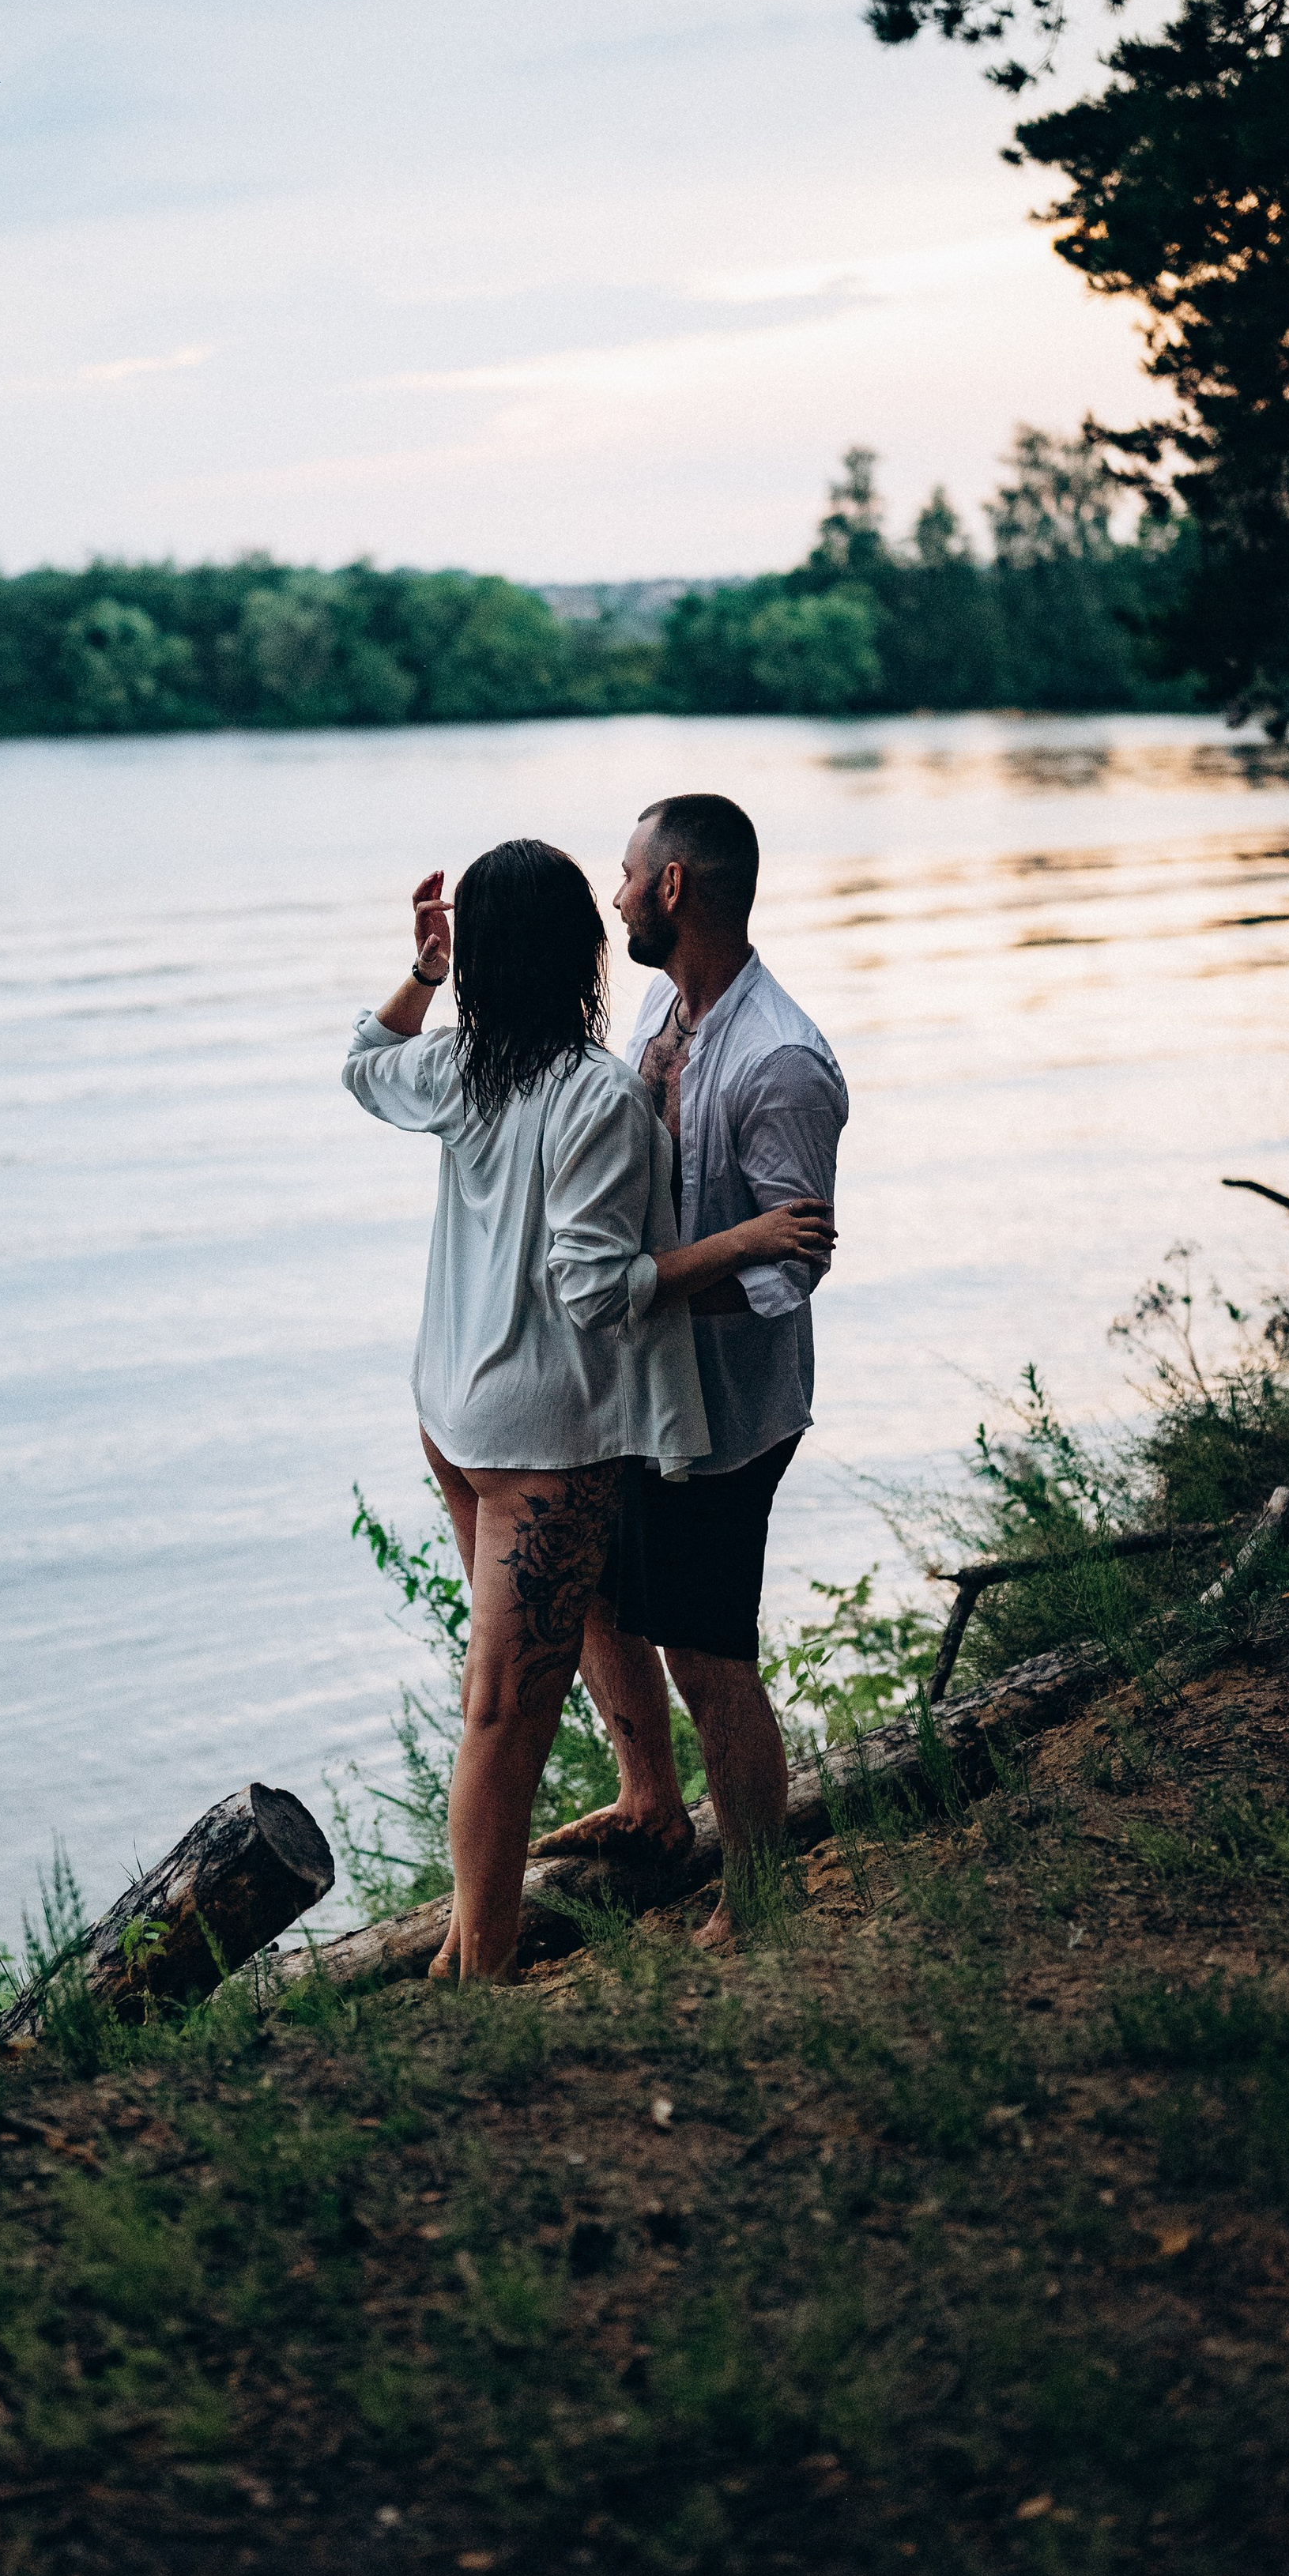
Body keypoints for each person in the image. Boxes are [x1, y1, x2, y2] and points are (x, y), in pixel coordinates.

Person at [344, 838, 835, 1982]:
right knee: (504, 1710)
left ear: (475, 964)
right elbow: (597, 1290)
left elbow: (366, 1062)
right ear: (581, 952)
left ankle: (635, 1813)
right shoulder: (597, 1095)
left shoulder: (460, 1064)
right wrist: (750, 1239)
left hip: (452, 1413)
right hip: (540, 1443)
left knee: (565, 1635)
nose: (624, 903)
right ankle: (482, 1962)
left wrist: (419, 975)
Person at [530, 793, 847, 1945]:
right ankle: (651, 1802)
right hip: (644, 1396)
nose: (614, 895)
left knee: (710, 1657)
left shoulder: (781, 1061)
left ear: (673, 886)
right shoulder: (666, 1012)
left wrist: (643, 1296)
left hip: (730, 1413)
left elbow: (786, 1273)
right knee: (602, 1590)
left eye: (626, 874)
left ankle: (759, 1898)